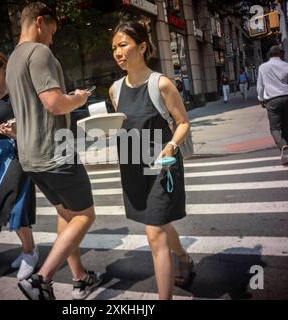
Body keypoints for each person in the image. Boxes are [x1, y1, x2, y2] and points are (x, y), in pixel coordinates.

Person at [5, 2, 102, 300]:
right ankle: (41, 279)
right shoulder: (39, 52)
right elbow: (54, 103)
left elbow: (29, 109)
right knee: (86, 216)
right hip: (55, 152)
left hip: (31, 157)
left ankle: (79, 277)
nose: (52, 38)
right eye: (52, 30)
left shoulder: (12, 60)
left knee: (67, 213)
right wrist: (78, 98)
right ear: (39, 22)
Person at [109, 20, 194, 300]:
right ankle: (184, 258)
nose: (118, 52)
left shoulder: (162, 84)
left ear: (142, 47)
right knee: (160, 223)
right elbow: (123, 125)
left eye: (123, 45)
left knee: (154, 231)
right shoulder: (115, 90)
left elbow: (182, 123)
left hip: (161, 165)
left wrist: (171, 145)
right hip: (133, 166)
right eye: (114, 48)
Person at [0, 49, 38, 281]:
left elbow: (33, 123)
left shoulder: (17, 92)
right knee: (5, 205)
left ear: (4, 68)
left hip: (19, 154)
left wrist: (16, 131)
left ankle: (30, 253)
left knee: (14, 204)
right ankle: (28, 249)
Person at [257, 45, 288, 165]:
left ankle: (283, 146)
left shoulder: (263, 67)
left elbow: (260, 86)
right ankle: (286, 150)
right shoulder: (286, 65)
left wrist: (260, 99)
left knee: (274, 128)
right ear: (280, 54)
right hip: (287, 97)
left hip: (272, 100)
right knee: (286, 126)